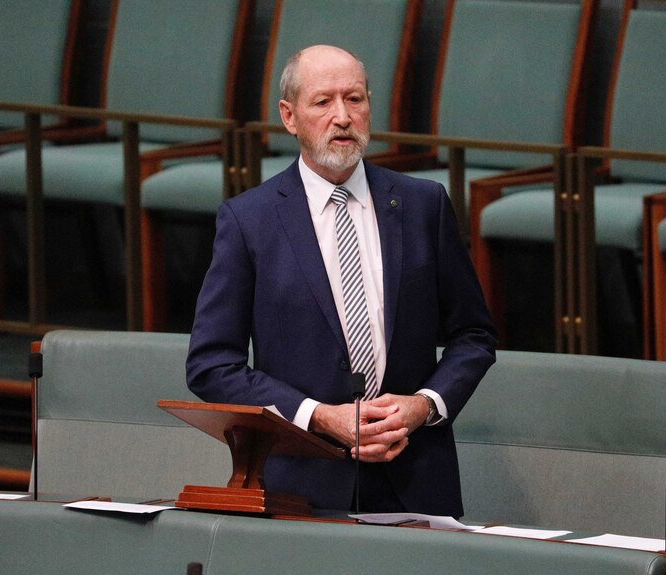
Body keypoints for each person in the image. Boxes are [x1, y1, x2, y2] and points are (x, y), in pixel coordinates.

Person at [186, 45, 496, 517]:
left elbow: (473, 336)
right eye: (323, 102)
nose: (343, 117)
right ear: (289, 117)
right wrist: (318, 416)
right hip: (302, 484)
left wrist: (423, 406)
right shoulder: (250, 220)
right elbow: (211, 365)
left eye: (354, 99)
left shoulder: (423, 205)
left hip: (415, 476)